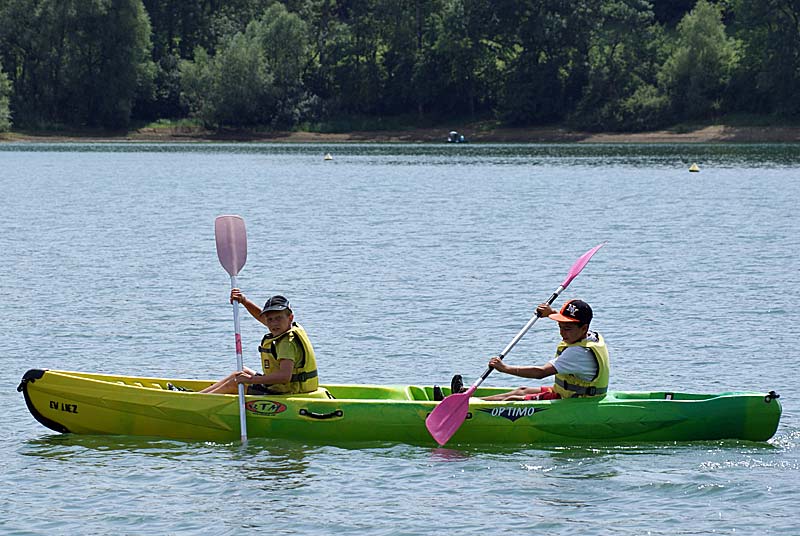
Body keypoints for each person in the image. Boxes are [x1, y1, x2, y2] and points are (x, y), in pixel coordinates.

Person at [480, 299, 609, 401]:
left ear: (583, 328)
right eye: (560, 326)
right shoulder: (591, 336)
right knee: (522, 390)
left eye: (567, 329)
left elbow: (540, 373)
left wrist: (504, 368)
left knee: (514, 399)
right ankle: (473, 401)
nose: (562, 333)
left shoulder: (578, 353)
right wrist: (551, 313)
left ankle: (470, 409)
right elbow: (570, 324)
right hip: (568, 394)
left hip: (578, 401)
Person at [199, 291, 319, 395]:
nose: (273, 323)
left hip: (287, 392)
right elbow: (262, 317)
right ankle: (199, 396)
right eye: (270, 320)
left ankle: (196, 401)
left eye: (278, 318)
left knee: (234, 383)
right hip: (284, 388)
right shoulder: (285, 329)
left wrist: (251, 380)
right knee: (241, 372)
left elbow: (284, 377)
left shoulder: (286, 343)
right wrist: (244, 301)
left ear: (290, 317)